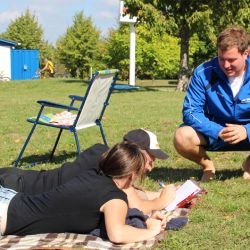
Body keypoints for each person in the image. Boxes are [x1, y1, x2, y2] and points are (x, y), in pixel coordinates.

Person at [0, 142, 169, 243]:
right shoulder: (114, 198)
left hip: (10, 198)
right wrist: (152, 231)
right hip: (6, 215)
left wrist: (146, 219)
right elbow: (117, 233)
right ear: (132, 175)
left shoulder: (92, 175)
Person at [0, 128, 176, 215]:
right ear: (136, 151)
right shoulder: (108, 165)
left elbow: (134, 193)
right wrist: (162, 201)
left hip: (19, 178)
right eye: (150, 159)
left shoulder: (105, 154)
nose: (151, 166)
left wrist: (163, 193)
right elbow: (136, 205)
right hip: (14, 188)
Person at [173, 26, 250, 182]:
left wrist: (246, 130)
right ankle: (208, 167)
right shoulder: (203, 72)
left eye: (232, 60)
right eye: (222, 59)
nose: (226, 65)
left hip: (247, 132)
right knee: (182, 137)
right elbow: (191, 112)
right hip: (215, 133)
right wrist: (218, 131)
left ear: (245, 53)